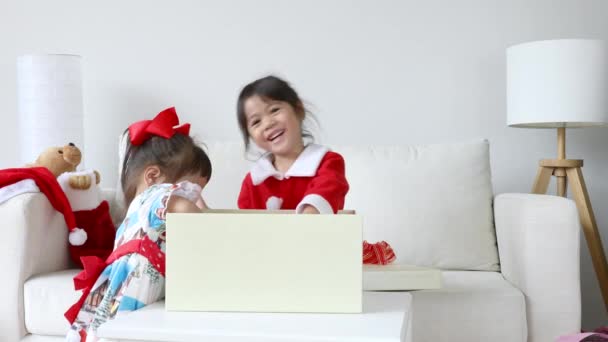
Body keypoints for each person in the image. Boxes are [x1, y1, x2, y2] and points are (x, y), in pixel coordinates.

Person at [64, 107, 212, 341]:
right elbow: (189, 215)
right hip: (134, 288)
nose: (194, 197)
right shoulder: (158, 195)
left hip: (117, 285)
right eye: (191, 189)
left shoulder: (137, 208)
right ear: (153, 176)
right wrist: (206, 213)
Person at [236, 75, 348, 214]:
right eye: (256, 122)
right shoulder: (252, 182)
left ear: (298, 109)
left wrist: (308, 218)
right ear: (250, 136)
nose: (268, 123)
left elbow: (326, 194)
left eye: (274, 110)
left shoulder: (328, 162)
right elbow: (243, 227)